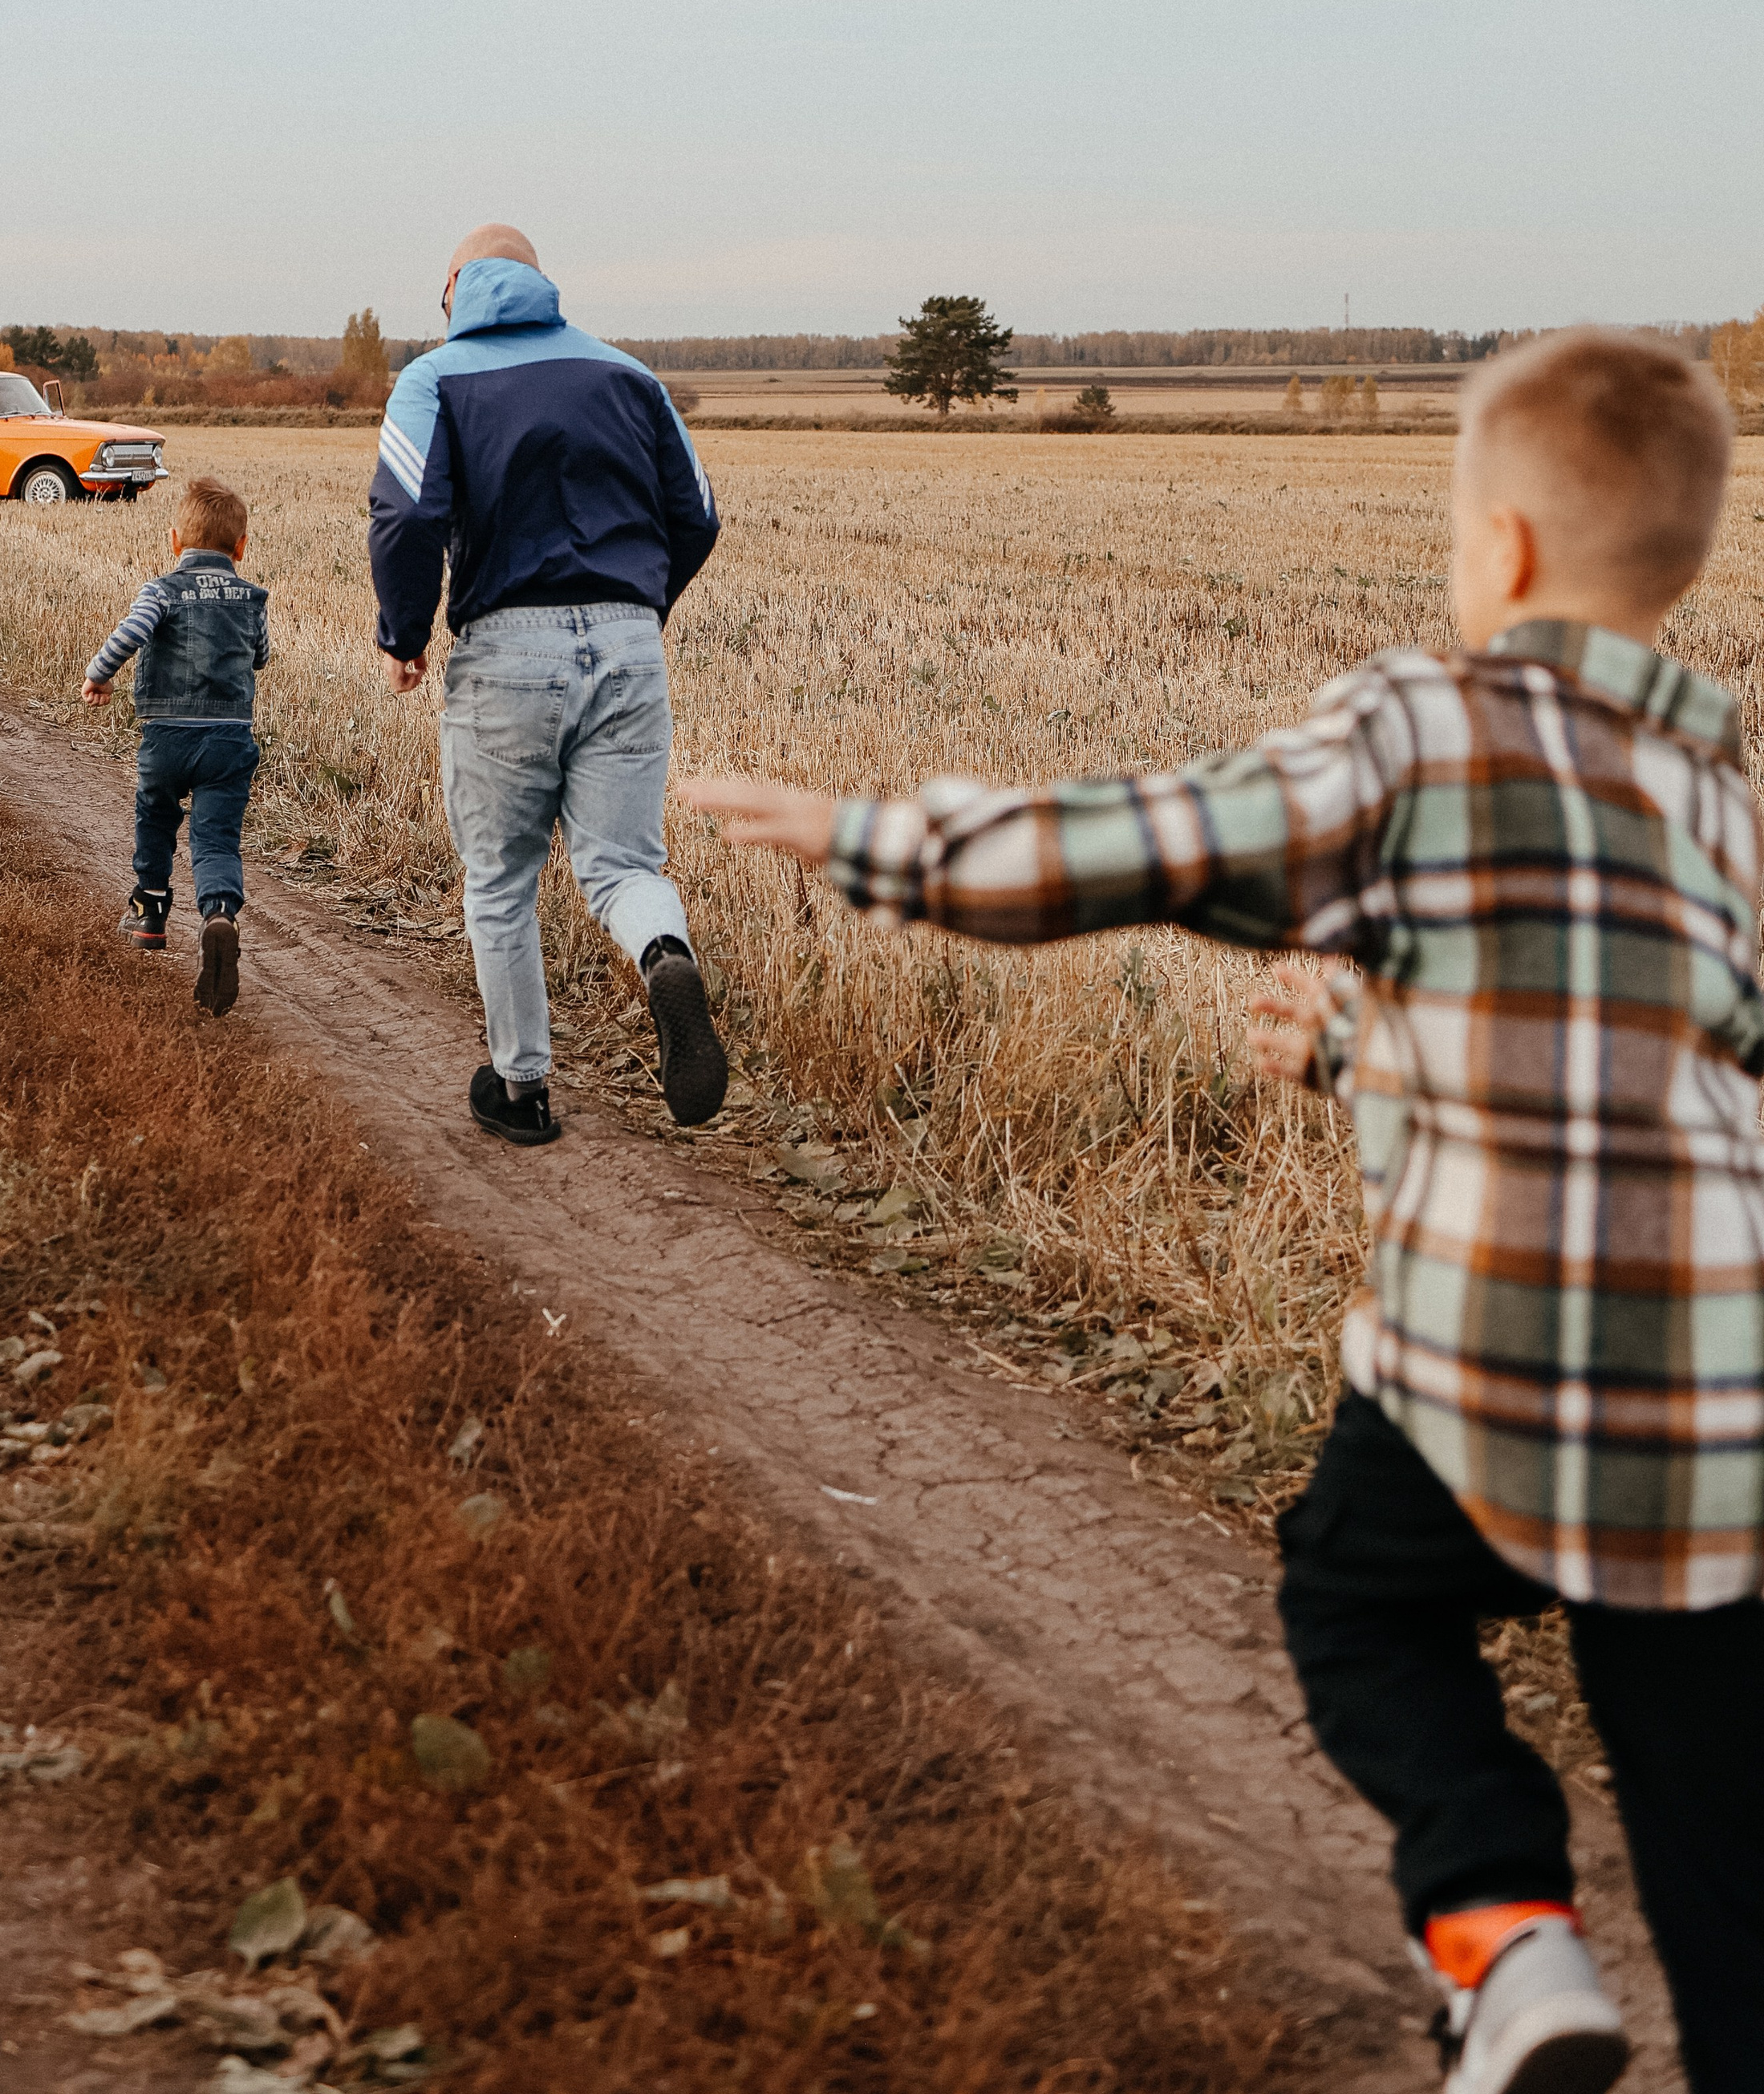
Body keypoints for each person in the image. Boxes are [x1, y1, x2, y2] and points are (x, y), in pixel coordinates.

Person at [681, 327, 1764, 2094]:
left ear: (1491, 550)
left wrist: (880, 838)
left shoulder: (1427, 717)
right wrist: (1357, 1033)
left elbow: (1164, 835)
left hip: (1477, 1367)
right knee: (1724, 1845)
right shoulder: (1711, 796)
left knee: (1354, 1601)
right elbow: (1646, 1045)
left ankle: (1506, 1938)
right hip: (1718, 1405)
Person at [370, 223, 727, 1145]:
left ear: (455, 286)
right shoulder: (629, 375)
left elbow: (407, 513)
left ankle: (522, 1088)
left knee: (500, 877)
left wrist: (403, 633)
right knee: (622, 866)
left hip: (506, 646)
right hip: (626, 640)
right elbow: (698, 513)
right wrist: (640, 606)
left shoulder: (432, 377)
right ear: (539, 281)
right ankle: (664, 952)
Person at [82, 473, 267, 1020]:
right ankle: (218, 915)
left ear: (174, 542)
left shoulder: (161, 590)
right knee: (214, 840)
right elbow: (260, 656)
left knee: (157, 817)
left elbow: (131, 632)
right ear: (240, 547)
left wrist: (100, 674)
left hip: (166, 736)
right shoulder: (251, 598)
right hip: (228, 739)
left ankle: (150, 912)